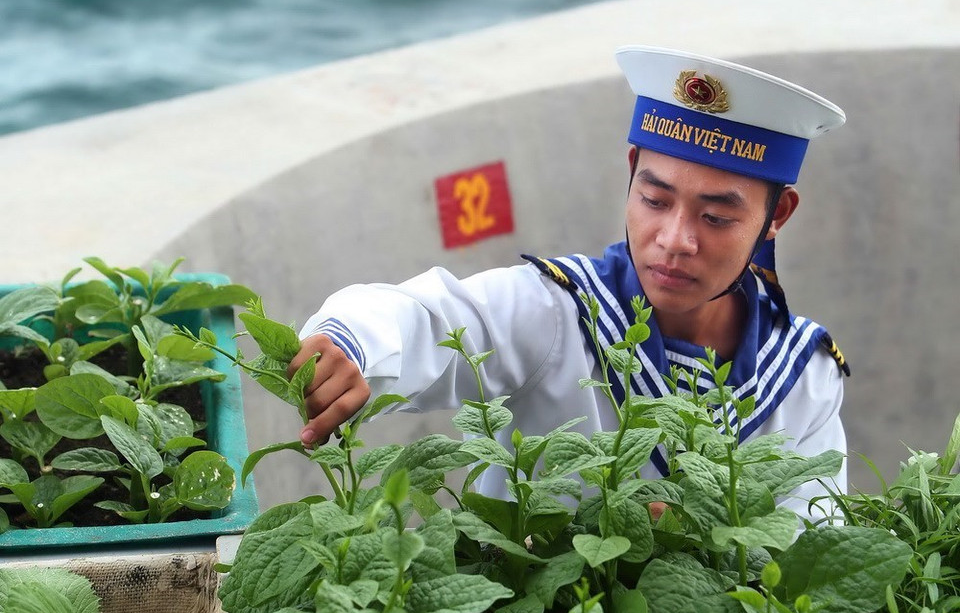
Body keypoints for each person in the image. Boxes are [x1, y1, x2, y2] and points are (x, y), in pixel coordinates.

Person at [289, 46, 849, 516]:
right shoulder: (559, 311)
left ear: (778, 215)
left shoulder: (804, 376)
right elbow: (429, 314)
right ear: (631, 173)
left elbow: (814, 546)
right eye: (655, 199)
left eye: (717, 217)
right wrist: (352, 343)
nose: (675, 238)